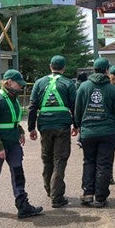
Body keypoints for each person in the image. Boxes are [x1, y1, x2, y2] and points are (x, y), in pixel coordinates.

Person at [0, 69, 43, 219]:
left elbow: (12, 120)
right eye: (18, 84)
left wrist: (20, 130)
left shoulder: (13, 98)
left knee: (18, 173)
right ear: (8, 82)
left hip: (13, 143)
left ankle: (23, 206)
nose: (21, 87)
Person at [28, 55, 78, 208]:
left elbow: (32, 106)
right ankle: (57, 197)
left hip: (44, 125)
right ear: (64, 68)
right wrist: (76, 125)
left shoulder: (39, 83)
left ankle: (50, 190)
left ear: (50, 66)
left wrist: (31, 128)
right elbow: (74, 107)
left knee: (47, 158)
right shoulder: (69, 83)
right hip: (62, 126)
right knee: (59, 160)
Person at [75, 57, 115, 208]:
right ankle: (100, 197)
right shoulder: (112, 88)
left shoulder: (84, 87)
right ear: (106, 70)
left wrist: (78, 126)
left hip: (88, 131)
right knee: (104, 164)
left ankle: (88, 193)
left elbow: (78, 109)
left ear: (94, 69)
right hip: (107, 132)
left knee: (88, 161)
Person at [75, 71, 88, 148]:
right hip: (83, 106)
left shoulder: (75, 85)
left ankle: (80, 139)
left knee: (80, 122)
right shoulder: (85, 86)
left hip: (77, 106)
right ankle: (80, 139)